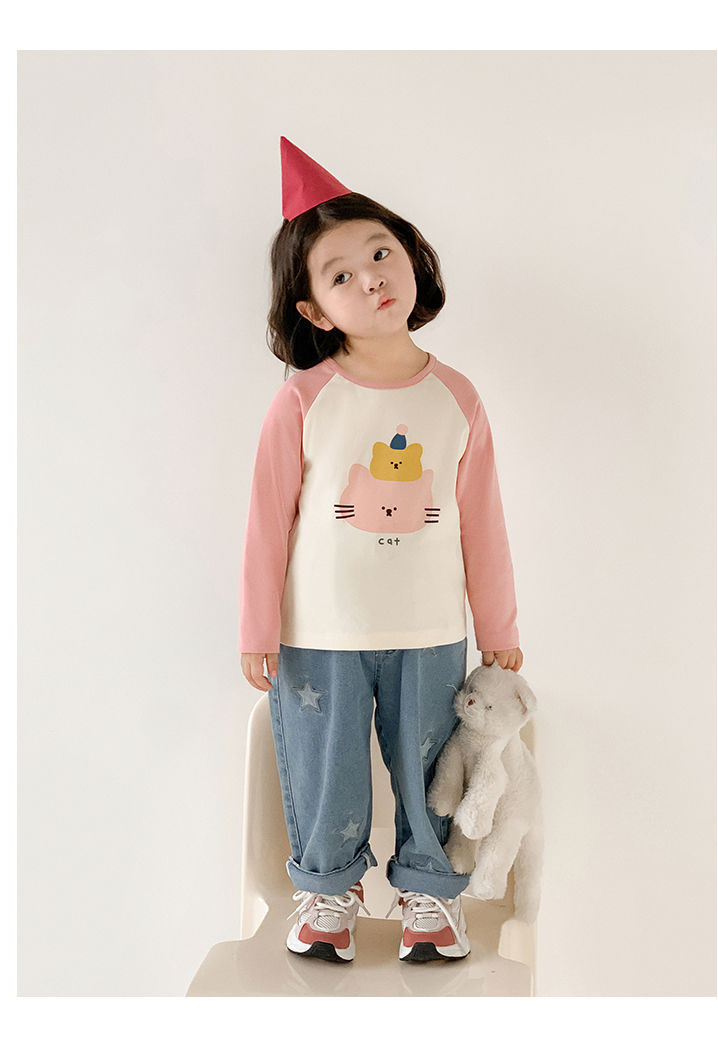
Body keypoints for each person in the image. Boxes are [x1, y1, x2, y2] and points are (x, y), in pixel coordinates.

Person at [238, 137, 523, 964]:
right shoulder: (304, 399)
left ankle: (430, 900)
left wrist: (499, 626)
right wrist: (258, 627)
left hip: (430, 630)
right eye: (340, 275)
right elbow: (266, 520)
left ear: (411, 258)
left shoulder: (456, 397)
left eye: (379, 252)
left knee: (432, 768)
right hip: (318, 632)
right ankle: (326, 892)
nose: (370, 277)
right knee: (325, 766)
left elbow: (483, 521)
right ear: (315, 311)